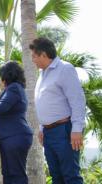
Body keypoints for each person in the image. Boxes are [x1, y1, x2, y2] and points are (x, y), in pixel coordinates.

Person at [30, 37, 85, 184]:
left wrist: (77, 129)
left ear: (43, 54)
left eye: (34, 56)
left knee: (71, 176)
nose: (33, 60)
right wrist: (42, 128)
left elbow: (77, 100)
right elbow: (46, 103)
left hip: (64, 130)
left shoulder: (64, 69)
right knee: (56, 177)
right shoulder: (42, 74)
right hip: (48, 133)